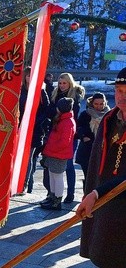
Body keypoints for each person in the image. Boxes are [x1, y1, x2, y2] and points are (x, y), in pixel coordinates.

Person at [76, 68, 126, 268]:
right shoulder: (110, 121)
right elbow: (99, 164)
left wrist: (98, 192)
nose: (121, 96)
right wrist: (91, 194)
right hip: (108, 208)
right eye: (119, 90)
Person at [47, 72, 85, 203]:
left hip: (68, 135)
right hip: (55, 131)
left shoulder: (74, 97)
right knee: (52, 168)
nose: (62, 85)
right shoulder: (55, 93)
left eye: (65, 83)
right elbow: (50, 111)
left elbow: (71, 115)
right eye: (60, 83)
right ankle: (52, 194)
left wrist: (56, 113)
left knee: (68, 165)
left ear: (70, 83)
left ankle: (70, 193)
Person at [40, 97, 76, 210]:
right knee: (52, 175)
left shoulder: (67, 122)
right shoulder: (63, 119)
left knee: (58, 176)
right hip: (55, 153)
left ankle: (57, 200)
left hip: (59, 154)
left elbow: (64, 142)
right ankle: (52, 196)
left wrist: (51, 148)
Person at [19, 66, 50, 194]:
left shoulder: (41, 91)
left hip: (34, 130)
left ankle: (25, 185)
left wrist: (34, 121)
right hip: (20, 128)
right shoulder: (20, 90)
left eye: (31, 76)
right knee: (19, 158)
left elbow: (46, 109)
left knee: (28, 158)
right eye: (27, 75)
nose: (29, 78)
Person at [75, 92, 110, 179]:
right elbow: (77, 129)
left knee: (101, 179)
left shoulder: (110, 115)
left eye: (101, 104)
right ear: (92, 103)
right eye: (96, 104)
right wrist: (83, 137)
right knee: (88, 178)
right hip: (87, 151)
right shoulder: (86, 114)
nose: (99, 106)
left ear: (105, 103)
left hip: (103, 151)